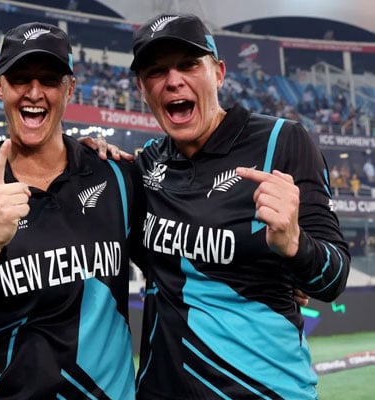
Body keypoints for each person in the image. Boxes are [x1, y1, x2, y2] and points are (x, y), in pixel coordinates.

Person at [128, 14, 350, 399]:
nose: (173, 80)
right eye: (156, 71)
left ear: (219, 72)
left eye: (188, 64)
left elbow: (333, 281)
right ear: (143, 89)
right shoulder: (147, 163)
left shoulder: (282, 141)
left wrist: (295, 246)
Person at [0, 22, 142, 399]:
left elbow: (178, 262)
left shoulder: (116, 176)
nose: (33, 92)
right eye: (19, 79)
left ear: (69, 89)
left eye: (48, 79)